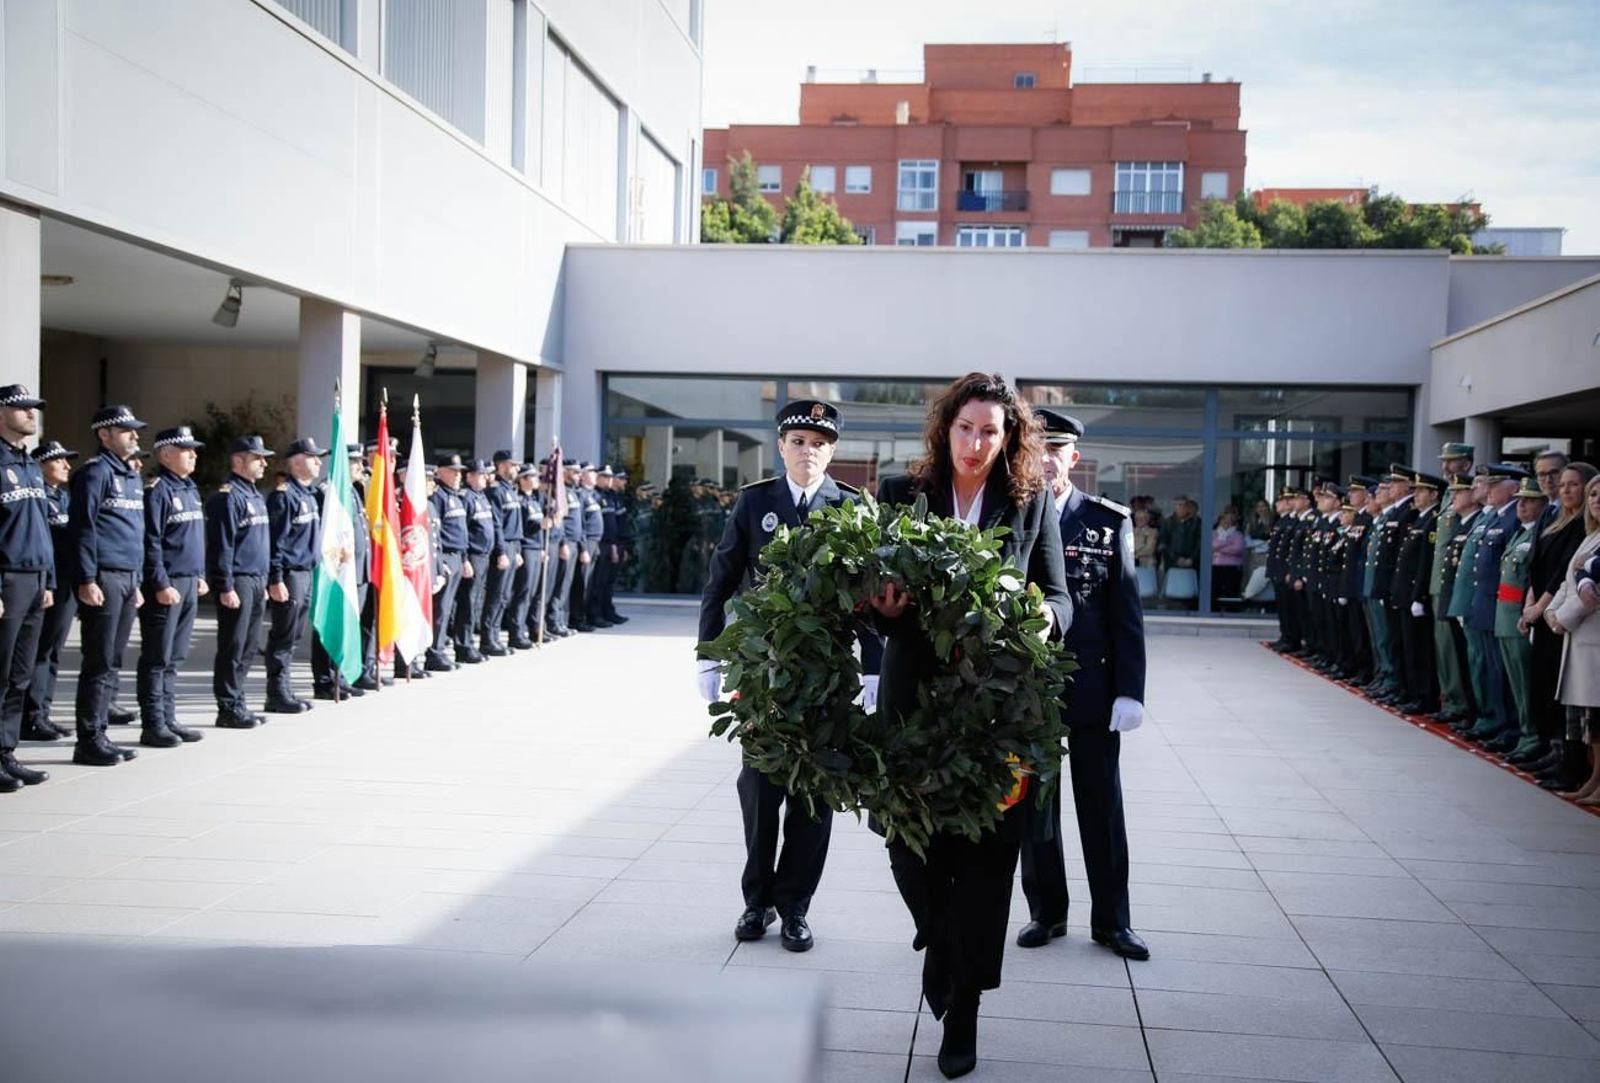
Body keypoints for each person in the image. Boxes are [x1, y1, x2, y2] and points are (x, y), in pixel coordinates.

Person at [868, 373, 1072, 1080]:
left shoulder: (1028, 500)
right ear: (944, 428)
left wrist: (1046, 615)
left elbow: (1059, 592)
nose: (977, 442)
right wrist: (885, 611)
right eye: (966, 428)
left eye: (991, 430)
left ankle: (964, 1010)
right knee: (909, 847)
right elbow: (874, 597)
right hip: (913, 703)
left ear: (1008, 435)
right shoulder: (903, 495)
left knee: (987, 864)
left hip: (997, 713)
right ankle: (943, 943)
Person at [698, 399, 879, 955]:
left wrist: (874, 669)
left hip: (826, 677)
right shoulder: (756, 504)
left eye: (820, 443)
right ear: (781, 446)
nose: (809, 452)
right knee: (759, 788)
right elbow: (722, 579)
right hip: (764, 675)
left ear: (833, 451)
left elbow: (870, 594)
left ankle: (796, 905)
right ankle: (758, 901)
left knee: (815, 794)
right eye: (798, 442)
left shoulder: (851, 507)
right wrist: (708, 654)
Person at [1017, 409, 1148, 963]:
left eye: (1057, 450)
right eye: (1038, 450)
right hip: (1028, 688)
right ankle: (1047, 913)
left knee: (1101, 804)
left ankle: (1112, 921)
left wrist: (1131, 690)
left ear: (1074, 459)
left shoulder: (1105, 520)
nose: (1046, 460)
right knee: (1036, 807)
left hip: (1092, 685)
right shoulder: (1013, 517)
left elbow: (1127, 612)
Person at [68, 405, 149, 767]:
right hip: (104, 575)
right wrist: (86, 578)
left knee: (113, 660)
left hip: (128, 576)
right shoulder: (95, 473)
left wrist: (139, 579)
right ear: (104, 435)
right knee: (98, 661)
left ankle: (101, 732)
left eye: (135, 430)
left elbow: (135, 533)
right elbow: (83, 528)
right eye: (125, 430)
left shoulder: (129, 476)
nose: (134, 435)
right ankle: (88, 739)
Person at [1522, 463, 1598, 781]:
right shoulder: (1552, 518)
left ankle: (1569, 763)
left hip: (1562, 620)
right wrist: (1530, 606)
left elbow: (1562, 578)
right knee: (1542, 688)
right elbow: (1537, 568)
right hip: (1546, 615)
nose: (1565, 489)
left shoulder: (1582, 529)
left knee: (1565, 695)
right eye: (1562, 484)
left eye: (1574, 484)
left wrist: (1543, 610)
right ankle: (1551, 751)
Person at [135, 426, 209, 747]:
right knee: (157, 656)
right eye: (185, 449)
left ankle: (169, 717)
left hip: (188, 582)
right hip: (166, 584)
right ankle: (153, 723)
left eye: (193, 450)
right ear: (166, 455)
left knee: (175, 656)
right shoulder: (158, 490)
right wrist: (160, 582)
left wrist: (199, 574)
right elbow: (150, 541)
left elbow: (194, 540)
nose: (193, 454)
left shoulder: (189, 488)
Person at [0, 386, 57, 791]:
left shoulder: (29, 464)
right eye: (22, 409)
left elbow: (41, 527)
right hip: (7, 578)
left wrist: (49, 579)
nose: (31, 414)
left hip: (36, 579)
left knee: (20, 674)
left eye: (33, 409)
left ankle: (6, 752)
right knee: (0, 673)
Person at [206, 436, 274, 728]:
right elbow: (222, 546)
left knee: (248, 645)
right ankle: (228, 706)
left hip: (257, 579)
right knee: (233, 645)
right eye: (257, 457)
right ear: (238, 460)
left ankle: (238, 701)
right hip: (239, 580)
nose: (264, 463)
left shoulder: (254, 494)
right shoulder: (228, 496)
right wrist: (225, 586)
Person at [1547, 475, 1600, 804]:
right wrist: (1553, 612)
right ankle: (1594, 780)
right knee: (1590, 721)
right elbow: (1569, 584)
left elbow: (1592, 593)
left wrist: (1560, 618)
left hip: (1593, 635)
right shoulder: (1591, 537)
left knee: (1598, 718)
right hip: (1579, 635)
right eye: (1593, 494)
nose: (1596, 499)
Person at [263, 437, 327, 713]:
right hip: (289, 574)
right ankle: (276, 693)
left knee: (294, 634)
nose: (318, 462)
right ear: (297, 461)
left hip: (306, 572)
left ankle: (285, 689)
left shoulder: (309, 495)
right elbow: (275, 542)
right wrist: (275, 578)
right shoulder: (284, 496)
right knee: (283, 634)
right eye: (313, 458)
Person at [21, 440, 77, 743]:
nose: (67, 465)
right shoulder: (39, 499)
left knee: (52, 651)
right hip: (47, 583)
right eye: (59, 460)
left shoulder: (63, 497)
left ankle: (42, 712)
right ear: (41, 465)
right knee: (38, 653)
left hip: (65, 582)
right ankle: (31, 716)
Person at [310, 443, 373, 700]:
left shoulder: (353, 490)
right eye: (354, 462)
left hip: (356, 571)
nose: (360, 466)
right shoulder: (328, 492)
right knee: (330, 623)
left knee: (349, 625)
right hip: (337, 572)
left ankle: (342, 676)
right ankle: (325, 680)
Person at [1495, 476, 1548, 760]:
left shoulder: (1538, 534)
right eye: (1521, 499)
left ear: (1543, 503)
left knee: (1526, 683)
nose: (1522, 504)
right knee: (1515, 681)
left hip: (1519, 616)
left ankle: (1532, 736)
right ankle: (1523, 733)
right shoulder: (1520, 533)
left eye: (1530, 499)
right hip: (1505, 614)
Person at [1429, 443, 1476, 727]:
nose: (1446, 467)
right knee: (1442, 647)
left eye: (1452, 462)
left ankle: (1459, 702)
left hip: (1452, 583)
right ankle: (1448, 697)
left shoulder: (1468, 492)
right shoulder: (1448, 495)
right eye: (1444, 461)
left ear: (1466, 464)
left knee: (1452, 648)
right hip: (1439, 580)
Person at [1391, 472, 1443, 715]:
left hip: (1416, 594)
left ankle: (1424, 696)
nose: (1417, 494)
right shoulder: (1418, 519)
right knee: (1408, 647)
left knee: (1420, 650)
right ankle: (1412, 692)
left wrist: (1418, 596)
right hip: (1405, 593)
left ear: (1434, 494)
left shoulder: (1432, 520)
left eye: (1422, 491)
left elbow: (1424, 563)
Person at [425, 454, 468, 671]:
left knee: (448, 608)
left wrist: (464, 558)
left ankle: (440, 649)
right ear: (440, 472)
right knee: (440, 609)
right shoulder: (438, 496)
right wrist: (440, 562)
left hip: (457, 556)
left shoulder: (456, 496)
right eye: (453, 470)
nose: (458, 474)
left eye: (459, 471)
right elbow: (435, 533)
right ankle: (434, 653)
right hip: (445, 557)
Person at [480, 451, 524, 656]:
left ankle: (496, 637)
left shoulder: (510, 490)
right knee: (495, 596)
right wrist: (501, 551)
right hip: (503, 545)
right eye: (512, 465)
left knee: (505, 596)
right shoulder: (496, 491)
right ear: (502, 465)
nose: (516, 469)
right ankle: (488, 639)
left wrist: (518, 549)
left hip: (513, 545)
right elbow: (496, 525)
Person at [506, 462, 547, 647]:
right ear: (523, 480)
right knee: (523, 592)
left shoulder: (534, 500)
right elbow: (522, 528)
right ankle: (516, 632)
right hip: (527, 548)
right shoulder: (520, 501)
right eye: (533, 476)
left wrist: (542, 548)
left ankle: (532, 628)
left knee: (534, 592)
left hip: (536, 548)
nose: (537, 479)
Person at [1211, 511, 1245, 609]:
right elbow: (1212, 545)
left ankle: (1232, 612)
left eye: (1229, 519)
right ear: (1220, 521)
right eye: (1223, 519)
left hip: (1233, 567)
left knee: (1231, 591)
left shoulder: (1238, 534)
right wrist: (1229, 543)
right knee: (1215, 591)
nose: (1226, 521)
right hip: (1216, 566)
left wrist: (1219, 549)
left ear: (1233, 522)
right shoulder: (1214, 533)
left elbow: (1237, 549)